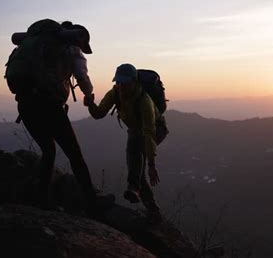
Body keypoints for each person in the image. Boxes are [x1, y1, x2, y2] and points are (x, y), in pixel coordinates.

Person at [14, 20, 114, 210]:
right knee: (75, 156)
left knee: (48, 150)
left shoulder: (33, 44)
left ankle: (41, 198)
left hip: (25, 105)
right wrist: (89, 93)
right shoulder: (71, 49)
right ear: (79, 40)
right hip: (49, 107)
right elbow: (82, 77)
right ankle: (92, 203)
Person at [84, 63, 162, 223]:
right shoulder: (115, 93)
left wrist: (152, 164)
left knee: (135, 152)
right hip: (135, 130)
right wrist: (90, 104)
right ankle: (150, 206)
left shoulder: (144, 101)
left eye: (124, 83)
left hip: (155, 130)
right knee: (136, 165)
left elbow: (149, 133)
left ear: (134, 82)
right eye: (118, 82)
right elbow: (99, 113)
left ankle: (135, 190)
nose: (120, 86)